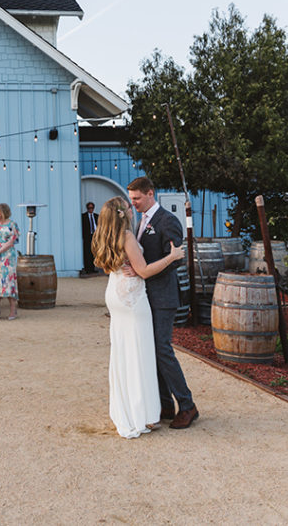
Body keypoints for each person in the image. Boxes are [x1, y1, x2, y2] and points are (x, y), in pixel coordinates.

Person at [93, 196, 185, 438]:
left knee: (123, 352)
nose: (132, 207)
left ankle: (127, 407)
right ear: (123, 213)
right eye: (128, 204)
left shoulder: (103, 235)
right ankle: (142, 414)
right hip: (133, 299)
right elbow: (143, 271)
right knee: (140, 354)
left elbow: (103, 263)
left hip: (115, 294)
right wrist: (172, 257)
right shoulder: (127, 236)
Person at [126, 176, 199, 429]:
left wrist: (142, 271)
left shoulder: (167, 220)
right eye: (131, 198)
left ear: (150, 193)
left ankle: (187, 405)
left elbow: (175, 259)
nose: (133, 203)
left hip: (164, 296)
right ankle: (164, 404)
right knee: (151, 350)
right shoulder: (140, 222)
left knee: (162, 349)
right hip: (145, 297)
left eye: (136, 198)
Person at [0, 203, 20, 320]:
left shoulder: (12, 224)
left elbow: (11, 242)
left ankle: (12, 311)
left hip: (7, 257)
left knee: (8, 282)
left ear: (4, 212)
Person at [81, 201, 98, 275]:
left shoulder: (96, 216)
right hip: (87, 237)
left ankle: (93, 268)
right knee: (87, 252)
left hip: (94, 236)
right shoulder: (83, 216)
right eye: (89, 208)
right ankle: (87, 268)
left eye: (92, 208)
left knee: (93, 252)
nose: (90, 209)